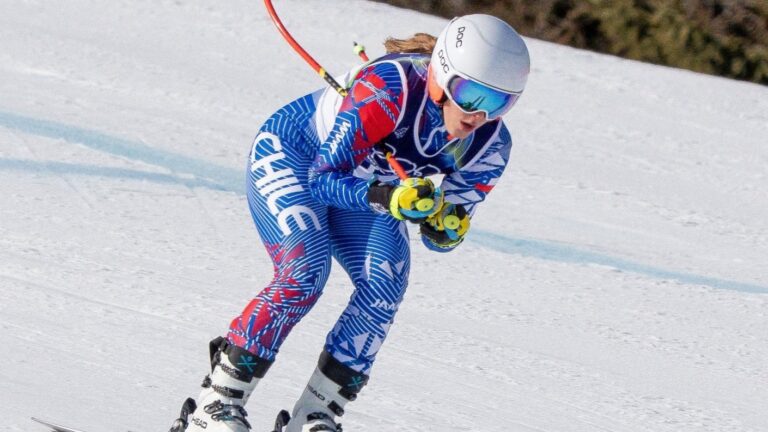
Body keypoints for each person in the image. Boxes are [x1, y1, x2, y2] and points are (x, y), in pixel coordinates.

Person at [170, 13, 530, 432]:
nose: (478, 115)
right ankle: (216, 403)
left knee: (384, 287)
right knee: (304, 272)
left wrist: (445, 227)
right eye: (470, 94)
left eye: (499, 102)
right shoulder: (389, 90)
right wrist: (388, 197)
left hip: (367, 185)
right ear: (441, 76)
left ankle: (318, 412)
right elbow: (321, 180)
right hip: (297, 155)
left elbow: (443, 235)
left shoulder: (491, 145)